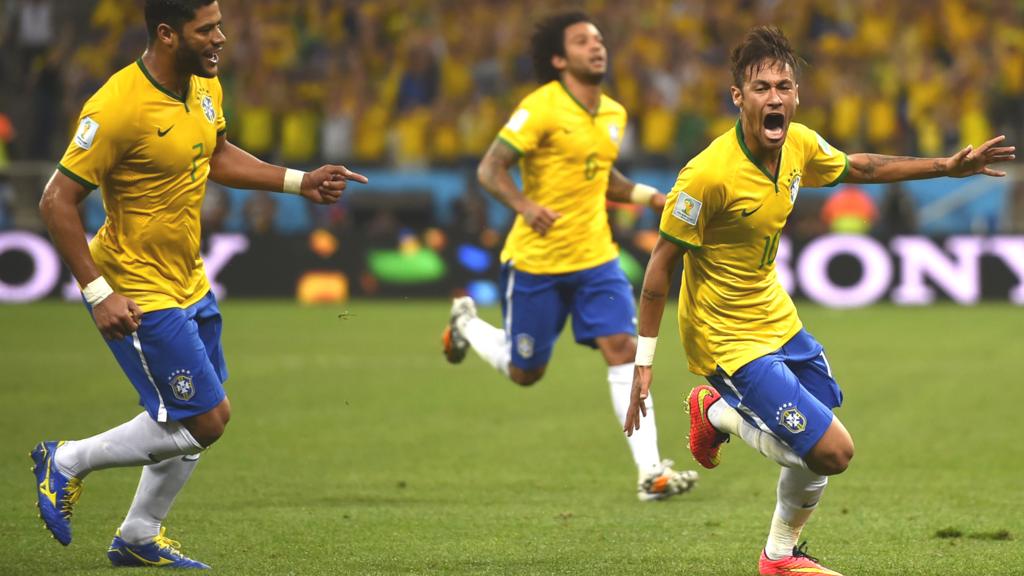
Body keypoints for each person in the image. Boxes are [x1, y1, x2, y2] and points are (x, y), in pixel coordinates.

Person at [623, 26, 1014, 576]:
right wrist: (644, 361)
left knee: (820, 428)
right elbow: (660, 266)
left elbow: (862, 167)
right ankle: (714, 411)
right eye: (761, 87)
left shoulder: (800, 144)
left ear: (797, 94)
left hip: (777, 318)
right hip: (726, 339)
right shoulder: (706, 176)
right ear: (738, 97)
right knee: (830, 451)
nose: (775, 97)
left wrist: (945, 167)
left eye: (784, 85)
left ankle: (780, 557)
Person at [32, 0, 367, 568]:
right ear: (167, 34)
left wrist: (298, 181)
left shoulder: (204, 85)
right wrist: (97, 294)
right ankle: (65, 460)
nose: (222, 37)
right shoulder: (117, 106)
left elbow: (214, 153)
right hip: (135, 286)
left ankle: (139, 534)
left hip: (188, 278)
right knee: (206, 420)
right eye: (206, 29)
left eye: (218, 25)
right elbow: (55, 201)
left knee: (193, 415)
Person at [442, 11, 698, 502]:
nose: (596, 46)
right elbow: (490, 168)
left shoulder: (614, 114)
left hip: (595, 257)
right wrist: (524, 205)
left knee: (624, 348)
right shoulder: (540, 108)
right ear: (559, 58)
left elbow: (604, 178)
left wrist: (650, 197)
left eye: (599, 39)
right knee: (526, 372)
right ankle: (467, 322)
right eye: (582, 41)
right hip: (536, 260)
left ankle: (651, 474)